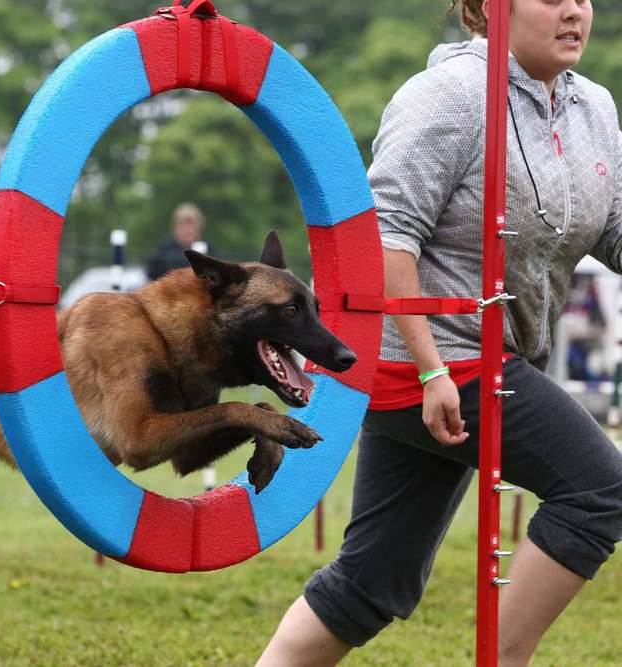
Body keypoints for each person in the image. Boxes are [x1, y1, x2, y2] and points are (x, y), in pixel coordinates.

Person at [256, 1, 622, 665]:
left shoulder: (594, 107)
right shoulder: (446, 97)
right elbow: (385, 241)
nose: (574, 10)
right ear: (489, 7)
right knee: (599, 487)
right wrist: (431, 371)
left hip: (484, 361)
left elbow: (614, 231)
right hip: (425, 361)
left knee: (372, 580)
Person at [145, 203, 207, 280]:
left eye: (191, 224)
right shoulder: (163, 252)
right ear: (175, 227)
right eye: (183, 224)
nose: (187, 229)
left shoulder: (209, 251)